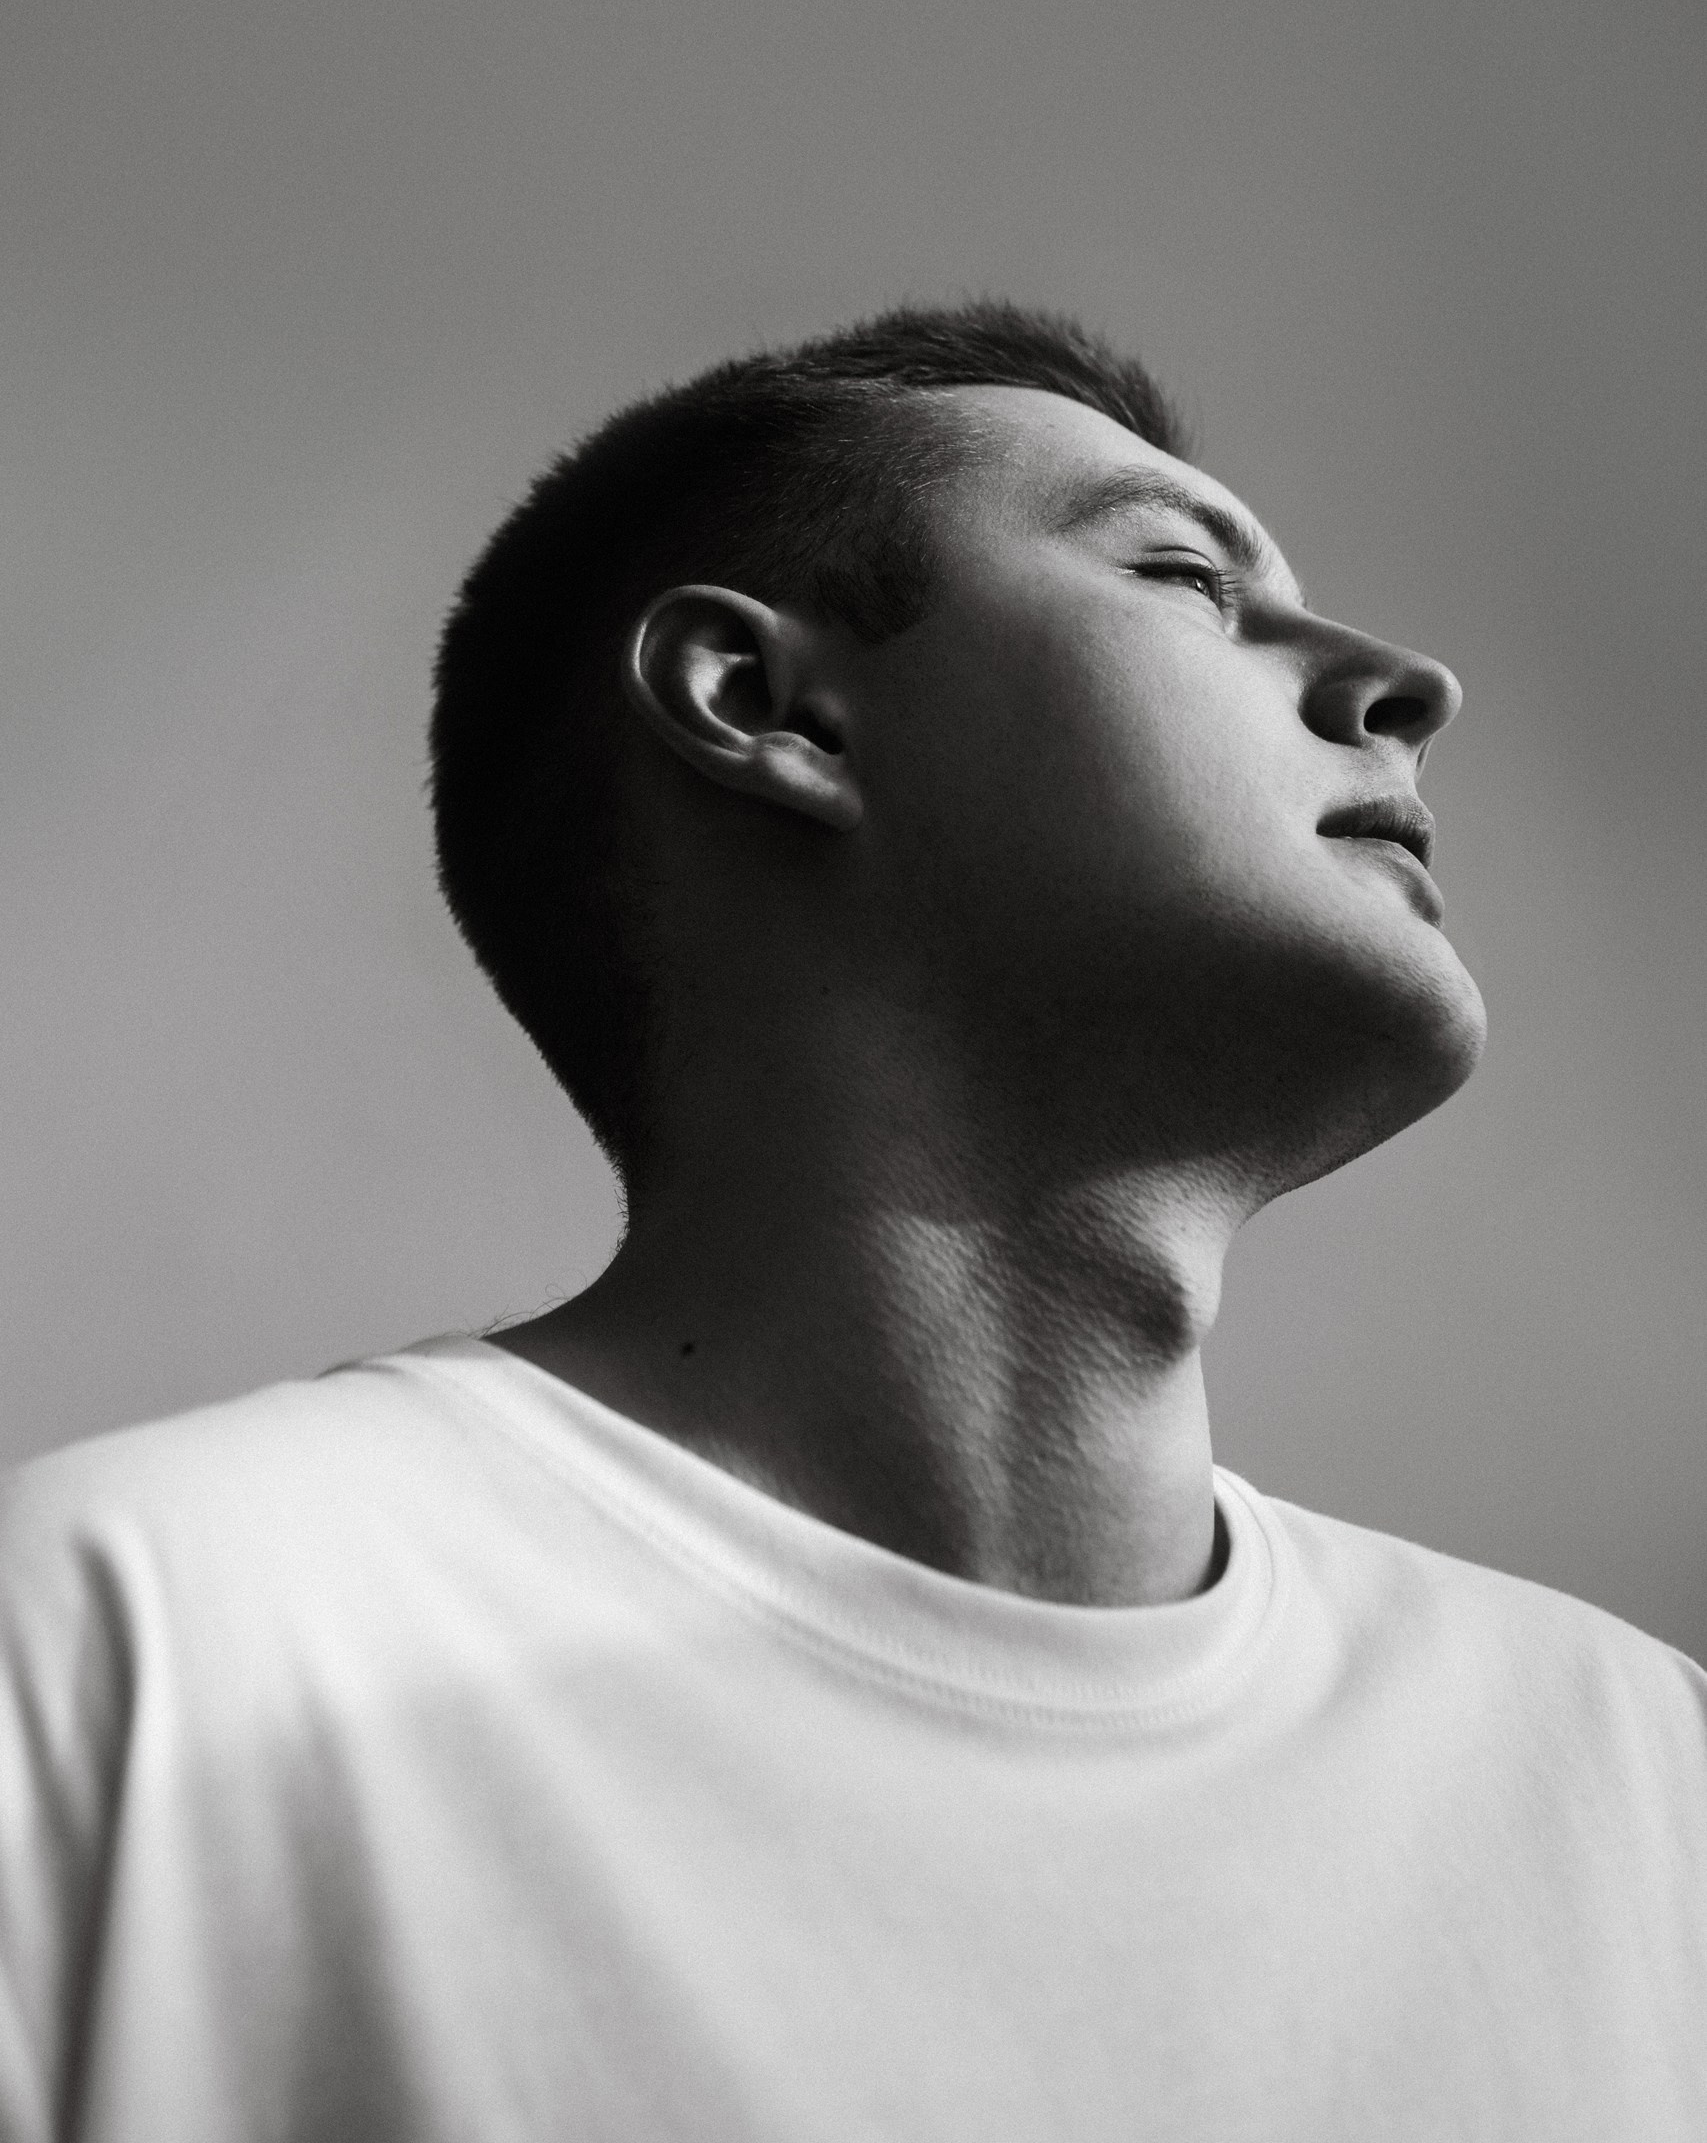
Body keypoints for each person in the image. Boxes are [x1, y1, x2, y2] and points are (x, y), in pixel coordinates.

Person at [1, 303, 1701, 2141]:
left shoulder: (1645, 1782)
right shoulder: (141, 1657)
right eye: (1186, 578)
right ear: (765, 705)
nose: (1405, 682)